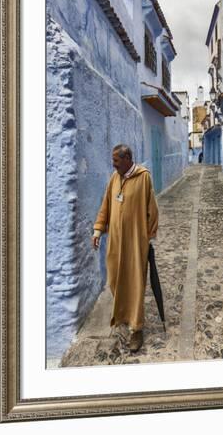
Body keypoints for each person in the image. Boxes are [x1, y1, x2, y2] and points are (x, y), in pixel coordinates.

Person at [91, 144, 159, 352]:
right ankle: (121, 315)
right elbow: (106, 205)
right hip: (115, 241)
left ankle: (136, 328)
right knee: (114, 279)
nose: (114, 165)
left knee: (135, 283)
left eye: (116, 161)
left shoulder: (144, 177)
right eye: (113, 161)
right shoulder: (114, 178)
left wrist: (146, 237)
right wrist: (98, 229)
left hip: (135, 242)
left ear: (128, 158)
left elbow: (152, 209)